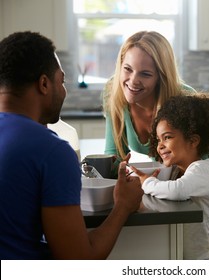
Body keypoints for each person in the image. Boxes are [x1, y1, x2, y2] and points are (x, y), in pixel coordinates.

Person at [0, 31, 144, 260]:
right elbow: (79, 261)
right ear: (44, 84)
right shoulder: (51, 151)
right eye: (62, 81)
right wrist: (123, 206)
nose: (64, 90)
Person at [103, 31, 209, 259]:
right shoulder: (114, 92)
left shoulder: (181, 99)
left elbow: (195, 161)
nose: (133, 81)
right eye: (127, 69)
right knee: (187, 251)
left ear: (161, 76)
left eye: (146, 74)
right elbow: (115, 155)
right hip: (181, 179)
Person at [131, 93, 209, 260]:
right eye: (158, 139)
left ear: (193, 141)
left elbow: (177, 191)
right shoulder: (177, 170)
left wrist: (147, 182)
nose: (160, 146)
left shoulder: (202, 171)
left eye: (167, 137)